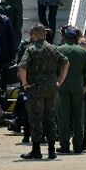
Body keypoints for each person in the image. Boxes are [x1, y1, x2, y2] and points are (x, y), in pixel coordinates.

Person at [18, 24, 69, 160]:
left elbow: (22, 67)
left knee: (36, 118)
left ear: (33, 35)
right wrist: (60, 81)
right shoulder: (53, 49)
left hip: (36, 88)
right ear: (45, 35)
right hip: (52, 88)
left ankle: (36, 150)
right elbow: (66, 63)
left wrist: (25, 84)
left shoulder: (31, 49)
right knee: (50, 118)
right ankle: (51, 150)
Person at [56, 27, 86, 153]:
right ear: (76, 39)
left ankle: (64, 145)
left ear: (65, 38)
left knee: (63, 116)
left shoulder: (59, 49)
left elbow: (55, 68)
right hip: (78, 85)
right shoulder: (82, 51)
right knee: (78, 116)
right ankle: (78, 145)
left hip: (62, 85)